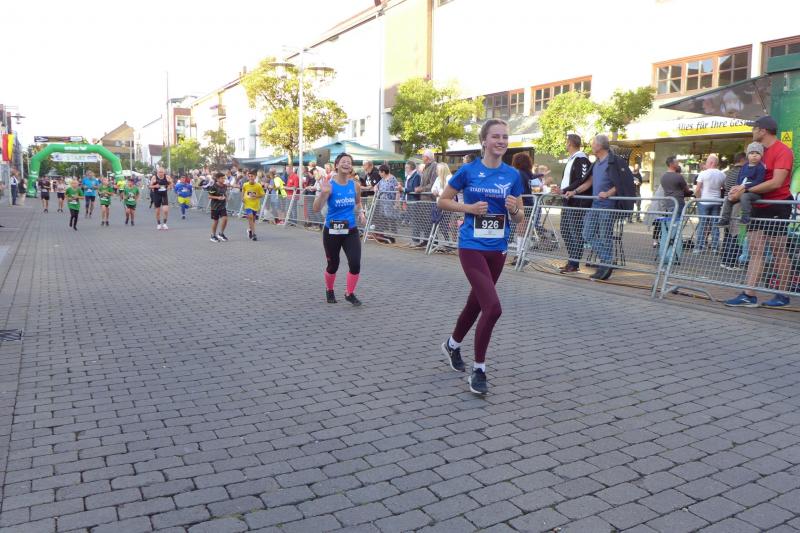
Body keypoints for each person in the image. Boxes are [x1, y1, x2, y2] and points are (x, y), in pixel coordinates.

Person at [437, 119, 524, 395]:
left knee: (476, 303)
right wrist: (469, 208)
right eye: (496, 136)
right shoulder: (468, 170)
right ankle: (479, 370)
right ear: (484, 141)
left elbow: (520, 216)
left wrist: (514, 210)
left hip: (498, 249)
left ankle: (452, 345)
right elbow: (442, 200)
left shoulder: (513, 175)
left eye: (505, 137)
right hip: (471, 246)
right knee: (493, 307)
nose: (501, 141)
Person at [725, 116, 795, 308]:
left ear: (763, 130)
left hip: (777, 204)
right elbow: (748, 177)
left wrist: (745, 190)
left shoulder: (783, 151)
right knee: (755, 249)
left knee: (778, 250)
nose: (752, 131)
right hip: (757, 204)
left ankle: (782, 295)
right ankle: (749, 294)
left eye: (754, 128)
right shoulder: (757, 152)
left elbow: (776, 182)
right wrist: (738, 189)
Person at [570, 134, 632, 281]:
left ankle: (604, 267)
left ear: (599, 146)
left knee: (605, 237)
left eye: (593, 143)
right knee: (587, 233)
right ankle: (607, 261)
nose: (591, 146)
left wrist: (608, 193)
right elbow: (589, 182)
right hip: (595, 204)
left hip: (608, 206)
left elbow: (623, 183)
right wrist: (574, 191)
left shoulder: (614, 161)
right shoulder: (596, 163)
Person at [313, 153, 366, 306]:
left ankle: (349, 293)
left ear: (351, 167)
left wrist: (361, 213)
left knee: (355, 264)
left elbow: (358, 202)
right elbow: (316, 208)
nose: (346, 164)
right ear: (336, 165)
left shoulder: (355, 185)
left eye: (349, 162)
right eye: (343, 161)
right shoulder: (329, 185)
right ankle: (329, 290)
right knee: (333, 265)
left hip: (350, 230)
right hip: (332, 231)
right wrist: (323, 194)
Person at [556, 134, 592, 273]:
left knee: (574, 231)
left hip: (577, 202)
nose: (565, 145)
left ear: (570, 143)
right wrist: (561, 190)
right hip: (567, 199)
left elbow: (581, 180)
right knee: (565, 230)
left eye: (566, 142)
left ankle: (574, 263)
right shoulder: (572, 159)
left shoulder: (581, 159)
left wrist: (564, 190)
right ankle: (571, 260)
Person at [718, 143, 765, 226]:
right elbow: (739, 178)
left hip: (754, 192)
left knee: (744, 196)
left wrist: (745, 186)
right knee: (728, 198)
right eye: (752, 153)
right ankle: (725, 219)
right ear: (747, 155)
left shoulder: (760, 167)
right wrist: (735, 188)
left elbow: (759, 181)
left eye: (757, 153)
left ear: (761, 155)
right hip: (741, 190)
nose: (754, 155)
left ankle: (746, 217)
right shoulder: (745, 166)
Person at [719, 152, 747, 270]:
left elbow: (725, 187)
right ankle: (731, 262)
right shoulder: (742, 172)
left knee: (727, 233)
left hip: (726, 205)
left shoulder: (729, 172)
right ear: (743, 160)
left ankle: (724, 260)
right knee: (735, 234)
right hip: (736, 205)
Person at [693, 154, 726, 253]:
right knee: (715, 224)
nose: (706, 164)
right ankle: (715, 247)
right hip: (717, 201)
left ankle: (699, 247)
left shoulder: (703, 173)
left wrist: (698, 199)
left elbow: (697, 189)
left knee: (702, 224)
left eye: (707, 162)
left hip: (704, 201)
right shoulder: (722, 175)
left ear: (711, 163)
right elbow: (724, 188)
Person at [374, 164, 400, 244]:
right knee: (383, 219)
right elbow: (376, 186)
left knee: (391, 219)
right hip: (382, 203)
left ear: (383, 172)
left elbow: (398, 191)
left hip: (390, 203)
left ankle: (393, 236)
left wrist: (396, 203)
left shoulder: (393, 179)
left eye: (380, 172)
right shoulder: (382, 179)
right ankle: (385, 235)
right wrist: (376, 188)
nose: (379, 174)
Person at [242, 170, 265, 241]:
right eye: (249, 176)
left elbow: (262, 195)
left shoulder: (258, 185)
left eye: (252, 176)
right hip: (248, 204)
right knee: (250, 217)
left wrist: (255, 196)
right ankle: (254, 234)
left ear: (255, 177)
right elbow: (243, 191)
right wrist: (242, 198)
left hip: (255, 204)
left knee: (253, 220)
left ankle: (249, 230)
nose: (250, 178)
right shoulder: (245, 184)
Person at [207, 172, 229, 242]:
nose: (223, 180)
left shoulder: (225, 186)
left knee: (225, 219)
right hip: (215, 207)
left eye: (224, 178)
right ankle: (213, 235)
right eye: (222, 178)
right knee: (216, 221)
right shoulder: (213, 187)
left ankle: (221, 234)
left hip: (222, 206)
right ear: (217, 179)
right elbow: (209, 196)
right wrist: (218, 197)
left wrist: (226, 197)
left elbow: (224, 193)